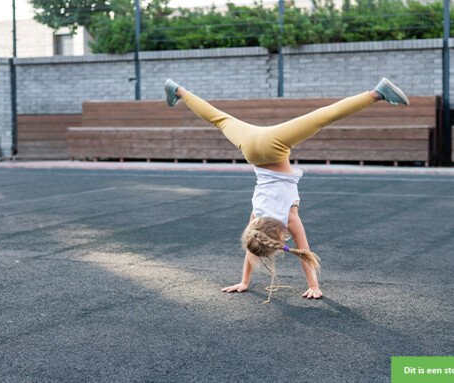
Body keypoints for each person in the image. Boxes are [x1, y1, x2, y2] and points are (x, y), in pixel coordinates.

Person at [164, 78, 409, 302]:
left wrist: (313, 285)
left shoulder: (289, 219)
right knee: (218, 118)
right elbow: (252, 246)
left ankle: (377, 93)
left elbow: (304, 253)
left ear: (280, 235)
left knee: (323, 118)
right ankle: (178, 90)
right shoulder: (255, 219)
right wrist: (244, 281)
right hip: (250, 147)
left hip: (274, 145)